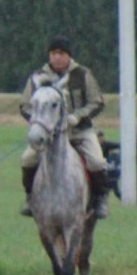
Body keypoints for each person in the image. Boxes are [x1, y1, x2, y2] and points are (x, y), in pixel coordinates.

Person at [19, 37, 110, 219]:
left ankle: (100, 198)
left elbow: (96, 102)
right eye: (53, 53)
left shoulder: (83, 74)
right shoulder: (37, 78)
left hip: (79, 131)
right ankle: (30, 197)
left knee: (97, 161)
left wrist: (77, 116)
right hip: (49, 134)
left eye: (61, 53)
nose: (57, 58)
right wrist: (39, 122)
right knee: (28, 158)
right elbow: (25, 105)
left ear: (69, 55)